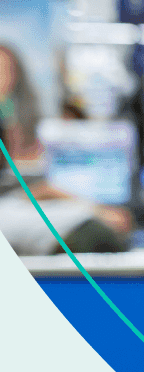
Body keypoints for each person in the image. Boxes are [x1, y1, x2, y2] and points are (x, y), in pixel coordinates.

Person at [0, 44, 131, 255]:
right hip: (10, 211)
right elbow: (32, 190)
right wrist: (93, 209)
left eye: (6, 71)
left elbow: (31, 186)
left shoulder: (23, 124)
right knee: (93, 233)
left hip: (20, 207)